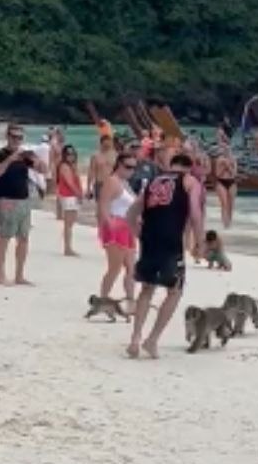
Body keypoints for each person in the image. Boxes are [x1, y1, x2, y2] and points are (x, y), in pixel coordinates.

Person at [125, 153, 204, 359]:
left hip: (149, 238)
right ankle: (152, 340)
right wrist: (200, 242)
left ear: (171, 165)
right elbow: (195, 213)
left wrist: (137, 232)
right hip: (171, 240)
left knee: (147, 288)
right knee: (175, 291)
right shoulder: (190, 181)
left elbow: (131, 212)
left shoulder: (154, 180)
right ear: (189, 168)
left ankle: (135, 338)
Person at [0, 124, 45, 286]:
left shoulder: (25, 155)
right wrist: (10, 159)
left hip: (24, 200)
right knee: (4, 238)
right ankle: (0, 275)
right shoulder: (0, 154)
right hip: (7, 200)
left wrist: (37, 160)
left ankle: (19, 275)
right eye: (13, 136)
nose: (16, 140)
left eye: (19, 137)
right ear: (7, 137)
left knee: (24, 239)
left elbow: (43, 170)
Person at [97, 152, 140, 308]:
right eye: (128, 167)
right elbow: (103, 204)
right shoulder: (112, 181)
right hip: (116, 226)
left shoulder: (124, 183)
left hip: (127, 227)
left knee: (131, 268)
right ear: (119, 165)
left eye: (134, 167)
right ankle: (102, 299)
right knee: (114, 268)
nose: (131, 171)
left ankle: (130, 301)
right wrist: (108, 225)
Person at [55, 144, 84, 256]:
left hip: (71, 196)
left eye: (72, 154)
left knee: (70, 223)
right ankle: (67, 248)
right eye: (68, 154)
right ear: (64, 155)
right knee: (68, 223)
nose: (70, 156)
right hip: (69, 196)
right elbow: (70, 183)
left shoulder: (71, 166)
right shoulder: (65, 167)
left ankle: (67, 247)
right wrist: (79, 194)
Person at [212, 127, 238, 228]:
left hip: (231, 181)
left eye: (228, 150)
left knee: (231, 203)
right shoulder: (219, 160)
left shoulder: (233, 159)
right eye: (225, 150)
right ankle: (225, 222)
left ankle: (229, 221)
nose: (226, 151)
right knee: (224, 203)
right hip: (221, 181)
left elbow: (234, 174)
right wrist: (224, 167)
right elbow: (217, 174)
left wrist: (229, 166)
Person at [86, 134, 117, 204]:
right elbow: (91, 171)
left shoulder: (115, 155)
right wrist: (88, 188)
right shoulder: (95, 156)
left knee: (113, 204)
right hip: (100, 183)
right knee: (100, 204)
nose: (107, 146)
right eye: (105, 145)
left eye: (109, 145)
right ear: (101, 144)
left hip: (112, 183)